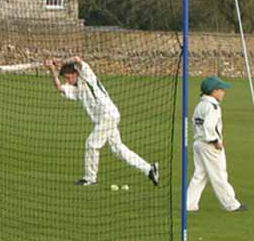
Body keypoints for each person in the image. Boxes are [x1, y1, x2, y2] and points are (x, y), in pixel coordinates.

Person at [44, 56, 159, 186]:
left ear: (76, 73)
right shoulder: (77, 90)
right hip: (105, 120)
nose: (68, 82)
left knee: (91, 144)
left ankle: (90, 178)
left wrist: (60, 61)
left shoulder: (87, 76)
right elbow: (59, 88)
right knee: (118, 149)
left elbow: (77, 58)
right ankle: (149, 169)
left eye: (69, 77)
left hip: (108, 116)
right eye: (66, 79)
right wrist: (52, 69)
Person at [187, 76, 247, 212]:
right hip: (210, 146)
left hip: (198, 143)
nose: (223, 92)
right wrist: (215, 141)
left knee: (200, 175)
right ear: (214, 91)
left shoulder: (200, 105)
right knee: (219, 174)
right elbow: (209, 126)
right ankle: (231, 205)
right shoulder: (213, 107)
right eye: (221, 89)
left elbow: (195, 123)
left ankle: (189, 204)